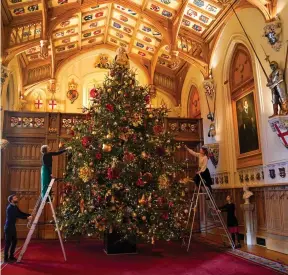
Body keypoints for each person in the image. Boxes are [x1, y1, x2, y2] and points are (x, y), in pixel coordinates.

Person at [4, 194, 32, 263]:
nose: (17, 198)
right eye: (15, 198)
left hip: (12, 226)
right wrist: (26, 218)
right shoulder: (9, 208)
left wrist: (28, 215)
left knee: (14, 242)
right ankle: (5, 259)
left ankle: (11, 256)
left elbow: (20, 213)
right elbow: (17, 215)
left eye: (16, 197)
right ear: (11, 200)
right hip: (8, 227)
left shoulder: (15, 207)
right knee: (8, 243)